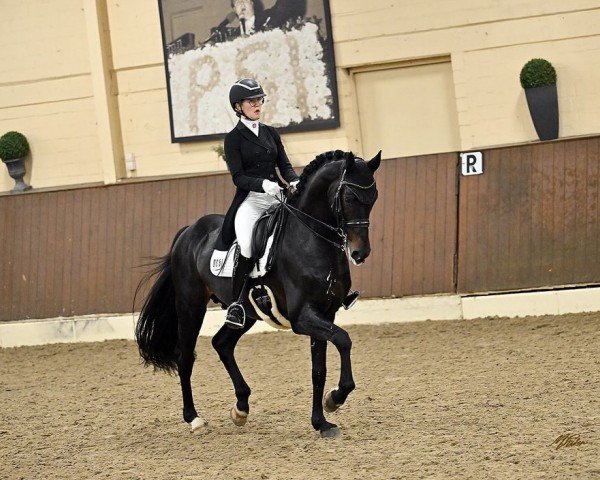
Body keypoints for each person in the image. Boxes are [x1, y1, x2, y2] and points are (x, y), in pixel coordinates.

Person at [220, 78, 300, 329]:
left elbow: (284, 165)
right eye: (251, 101)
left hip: (278, 197)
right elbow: (238, 177)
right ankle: (235, 304)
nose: (257, 104)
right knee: (246, 246)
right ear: (238, 107)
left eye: (259, 100)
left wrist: (294, 181)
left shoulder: (269, 132)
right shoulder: (233, 139)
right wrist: (263, 184)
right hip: (253, 200)